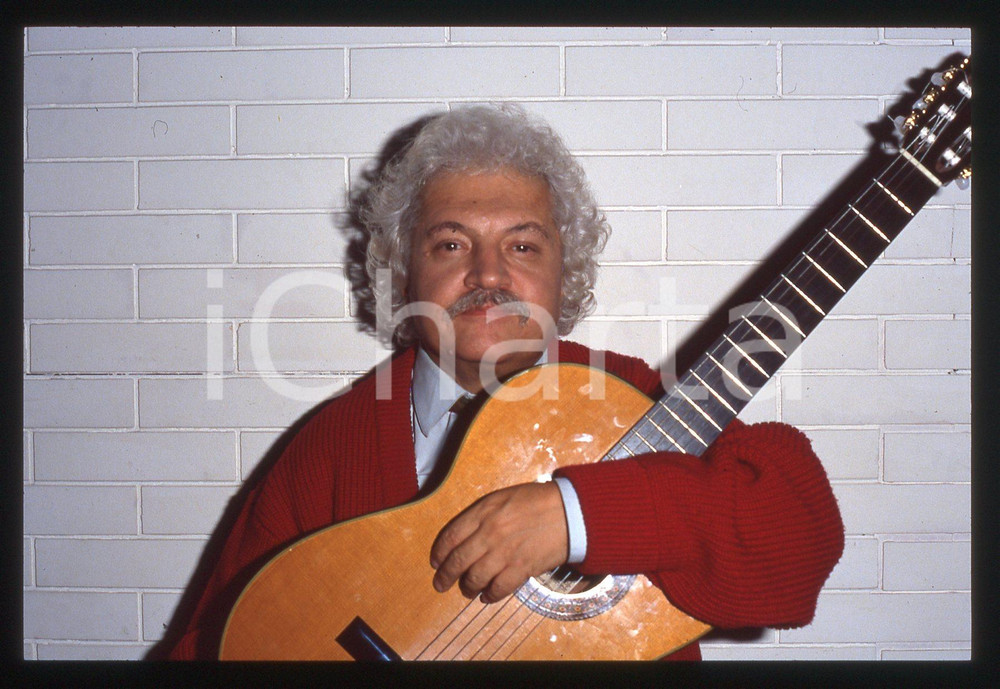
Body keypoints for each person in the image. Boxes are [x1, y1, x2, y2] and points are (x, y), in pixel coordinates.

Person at [163, 104, 844, 660]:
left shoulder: (636, 405)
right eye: (451, 244)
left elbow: (797, 544)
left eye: (521, 245)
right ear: (402, 277)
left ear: (561, 273)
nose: (488, 276)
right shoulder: (331, 447)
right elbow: (214, 640)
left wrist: (576, 517)